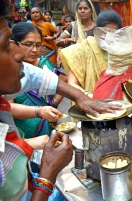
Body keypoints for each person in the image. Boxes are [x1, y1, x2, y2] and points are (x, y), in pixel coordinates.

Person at [0, 2, 72, 200]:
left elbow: (43, 78)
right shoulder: (11, 74)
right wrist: (47, 174)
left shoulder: (39, 65)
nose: (19, 54)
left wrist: (76, 98)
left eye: (38, 45)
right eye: (7, 45)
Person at [10, 22, 67, 140]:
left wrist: (54, 103)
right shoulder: (9, 70)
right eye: (28, 44)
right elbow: (7, 107)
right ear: (14, 44)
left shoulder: (44, 64)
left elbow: (63, 81)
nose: (34, 50)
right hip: (24, 135)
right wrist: (39, 111)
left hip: (49, 127)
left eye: (38, 45)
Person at [59, 9, 122, 93]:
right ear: (96, 29)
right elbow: (72, 84)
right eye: (105, 32)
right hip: (87, 102)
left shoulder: (121, 52)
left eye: (113, 33)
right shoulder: (80, 50)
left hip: (116, 103)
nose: (109, 37)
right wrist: (92, 99)